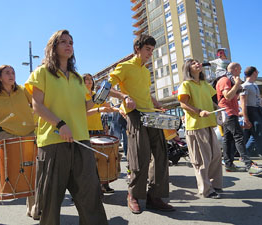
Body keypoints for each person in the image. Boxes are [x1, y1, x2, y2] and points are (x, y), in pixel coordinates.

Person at [25, 29, 108, 225]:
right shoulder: (42, 72)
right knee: (51, 200)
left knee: (90, 195)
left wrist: (99, 100)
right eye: (63, 41)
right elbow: (37, 106)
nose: (68, 44)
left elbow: (83, 106)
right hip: (53, 141)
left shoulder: (78, 78)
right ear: (53, 47)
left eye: (70, 42)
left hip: (81, 140)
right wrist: (60, 124)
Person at [108, 34, 174, 214]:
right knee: (140, 155)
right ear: (137, 48)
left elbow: (143, 92)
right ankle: (133, 195)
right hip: (135, 114)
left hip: (151, 114)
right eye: (147, 49)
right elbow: (107, 87)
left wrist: (155, 101)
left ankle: (154, 196)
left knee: (161, 155)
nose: (150, 53)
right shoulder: (124, 66)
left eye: (152, 50)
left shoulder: (145, 71)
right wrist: (124, 97)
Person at [0, 65, 36, 225]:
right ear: (0, 77)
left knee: (34, 171)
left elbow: (36, 106)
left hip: (30, 133)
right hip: (7, 136)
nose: (11, 75)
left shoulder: (23, 91)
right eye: (7, 73)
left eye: (13, 72)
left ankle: (35, 209)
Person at [178, 59, 223, 199]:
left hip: (209, 123)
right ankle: (206, 190)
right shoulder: (186, 84)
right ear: (188, 68)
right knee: (202, 159)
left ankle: (215, 185)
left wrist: (219, 109)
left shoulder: (205, 84)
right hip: (196, 125)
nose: (198, 64)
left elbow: (211, 101)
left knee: (216, 156)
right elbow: (183, 104)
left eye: (198, 62)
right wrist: (199, 111)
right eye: (193, 63)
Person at [216, 62, 261, 174]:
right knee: (239, 137)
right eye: (239, 70)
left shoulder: (228, 80)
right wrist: (236, 84)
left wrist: (237, 87)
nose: (241, 72)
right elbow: (227, 96)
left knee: (229, 139)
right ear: (235, 69)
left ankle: (229, 164)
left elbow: (232, 97)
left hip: (230, 113)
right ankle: (248, 164)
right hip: (228, 113)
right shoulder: (224, 80)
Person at [83, 73, 117, 193]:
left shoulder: (96, 95)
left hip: (98, 128)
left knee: (102, 158)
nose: (89, 82)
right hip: (84, 130)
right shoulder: (80, 94)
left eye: (90, 80)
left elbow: (107, 107)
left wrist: (120, 109)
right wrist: (99, 109)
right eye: (86, 80)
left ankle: (104, 183)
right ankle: (86, 189)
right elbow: (83, 112)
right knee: (87, 161)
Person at [240, 66, 262, 164]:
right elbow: (243, 103)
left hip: (258, 110)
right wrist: (245, 117)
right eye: (257, 71)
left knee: (256, 134)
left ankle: (244, 155)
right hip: (251, 110)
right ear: (254, 73)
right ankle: (244, 155)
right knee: (258, 134)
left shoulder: (254, 85)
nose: (258, 73)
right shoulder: (245, 86)